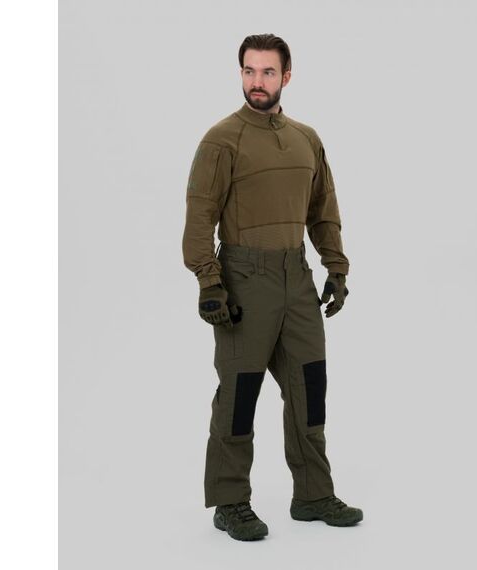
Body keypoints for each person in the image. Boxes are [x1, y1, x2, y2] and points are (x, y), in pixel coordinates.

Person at [182, 33, 363, 541]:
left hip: (297, 279)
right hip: (244, 281)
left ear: (286, 76)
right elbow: (199, 218)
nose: (256, 82)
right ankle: (229, 502)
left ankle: (312, 494)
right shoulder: (222, 140)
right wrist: (209, 282)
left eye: (266, 72)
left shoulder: (307, 138)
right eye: (248, 71)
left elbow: (323, 210)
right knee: (239, 397)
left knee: (310, 389)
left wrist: (336, 268)